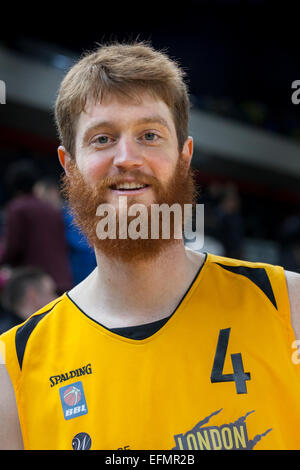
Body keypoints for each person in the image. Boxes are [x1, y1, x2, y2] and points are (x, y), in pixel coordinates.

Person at [0, 41, 300, 451]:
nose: (127, 158)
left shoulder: (288, 306)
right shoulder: (14, 366)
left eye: (150, 135)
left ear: (184, 156)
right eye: (103, 138)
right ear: (68, 166)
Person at [0, 160, 73, 294]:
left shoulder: (16, 208)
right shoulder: (52, 209)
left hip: (35, 286)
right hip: (62, 280)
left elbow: (13, 247)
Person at [0, 267, 57, 333]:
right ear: (32, 295)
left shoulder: (8, 333)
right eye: (51, 292)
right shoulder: (24, 336)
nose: (56, 298)